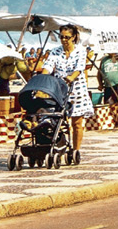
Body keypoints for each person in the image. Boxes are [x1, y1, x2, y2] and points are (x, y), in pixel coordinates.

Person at [35, 23, 95, 158]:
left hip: (76, 89)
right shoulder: (55, 52)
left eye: (67, 37)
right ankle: (57, 145)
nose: (64, 40)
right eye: (61, 37)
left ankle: (75, 150)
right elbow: (48, 67)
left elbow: (79, 69)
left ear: (73, 37)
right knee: (57, 119)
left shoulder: (80, 51)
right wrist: (43, 80)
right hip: (59, 89)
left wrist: (70, 78)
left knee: (77, 122)